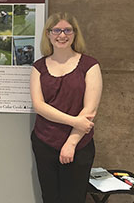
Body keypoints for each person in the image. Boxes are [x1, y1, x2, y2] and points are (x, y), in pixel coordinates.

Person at [30, 12, 102, 203]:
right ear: (48, 34)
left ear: (75, 33)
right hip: (44, 142)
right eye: (57, 30)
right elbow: (39, 106)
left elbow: (90, 110)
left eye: (67, 30)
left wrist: (71, 143)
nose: (62, 35)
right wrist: (74, 121)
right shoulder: (39, 67)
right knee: (50, 198)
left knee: (74, 198)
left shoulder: (90, 65)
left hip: (79, 145)